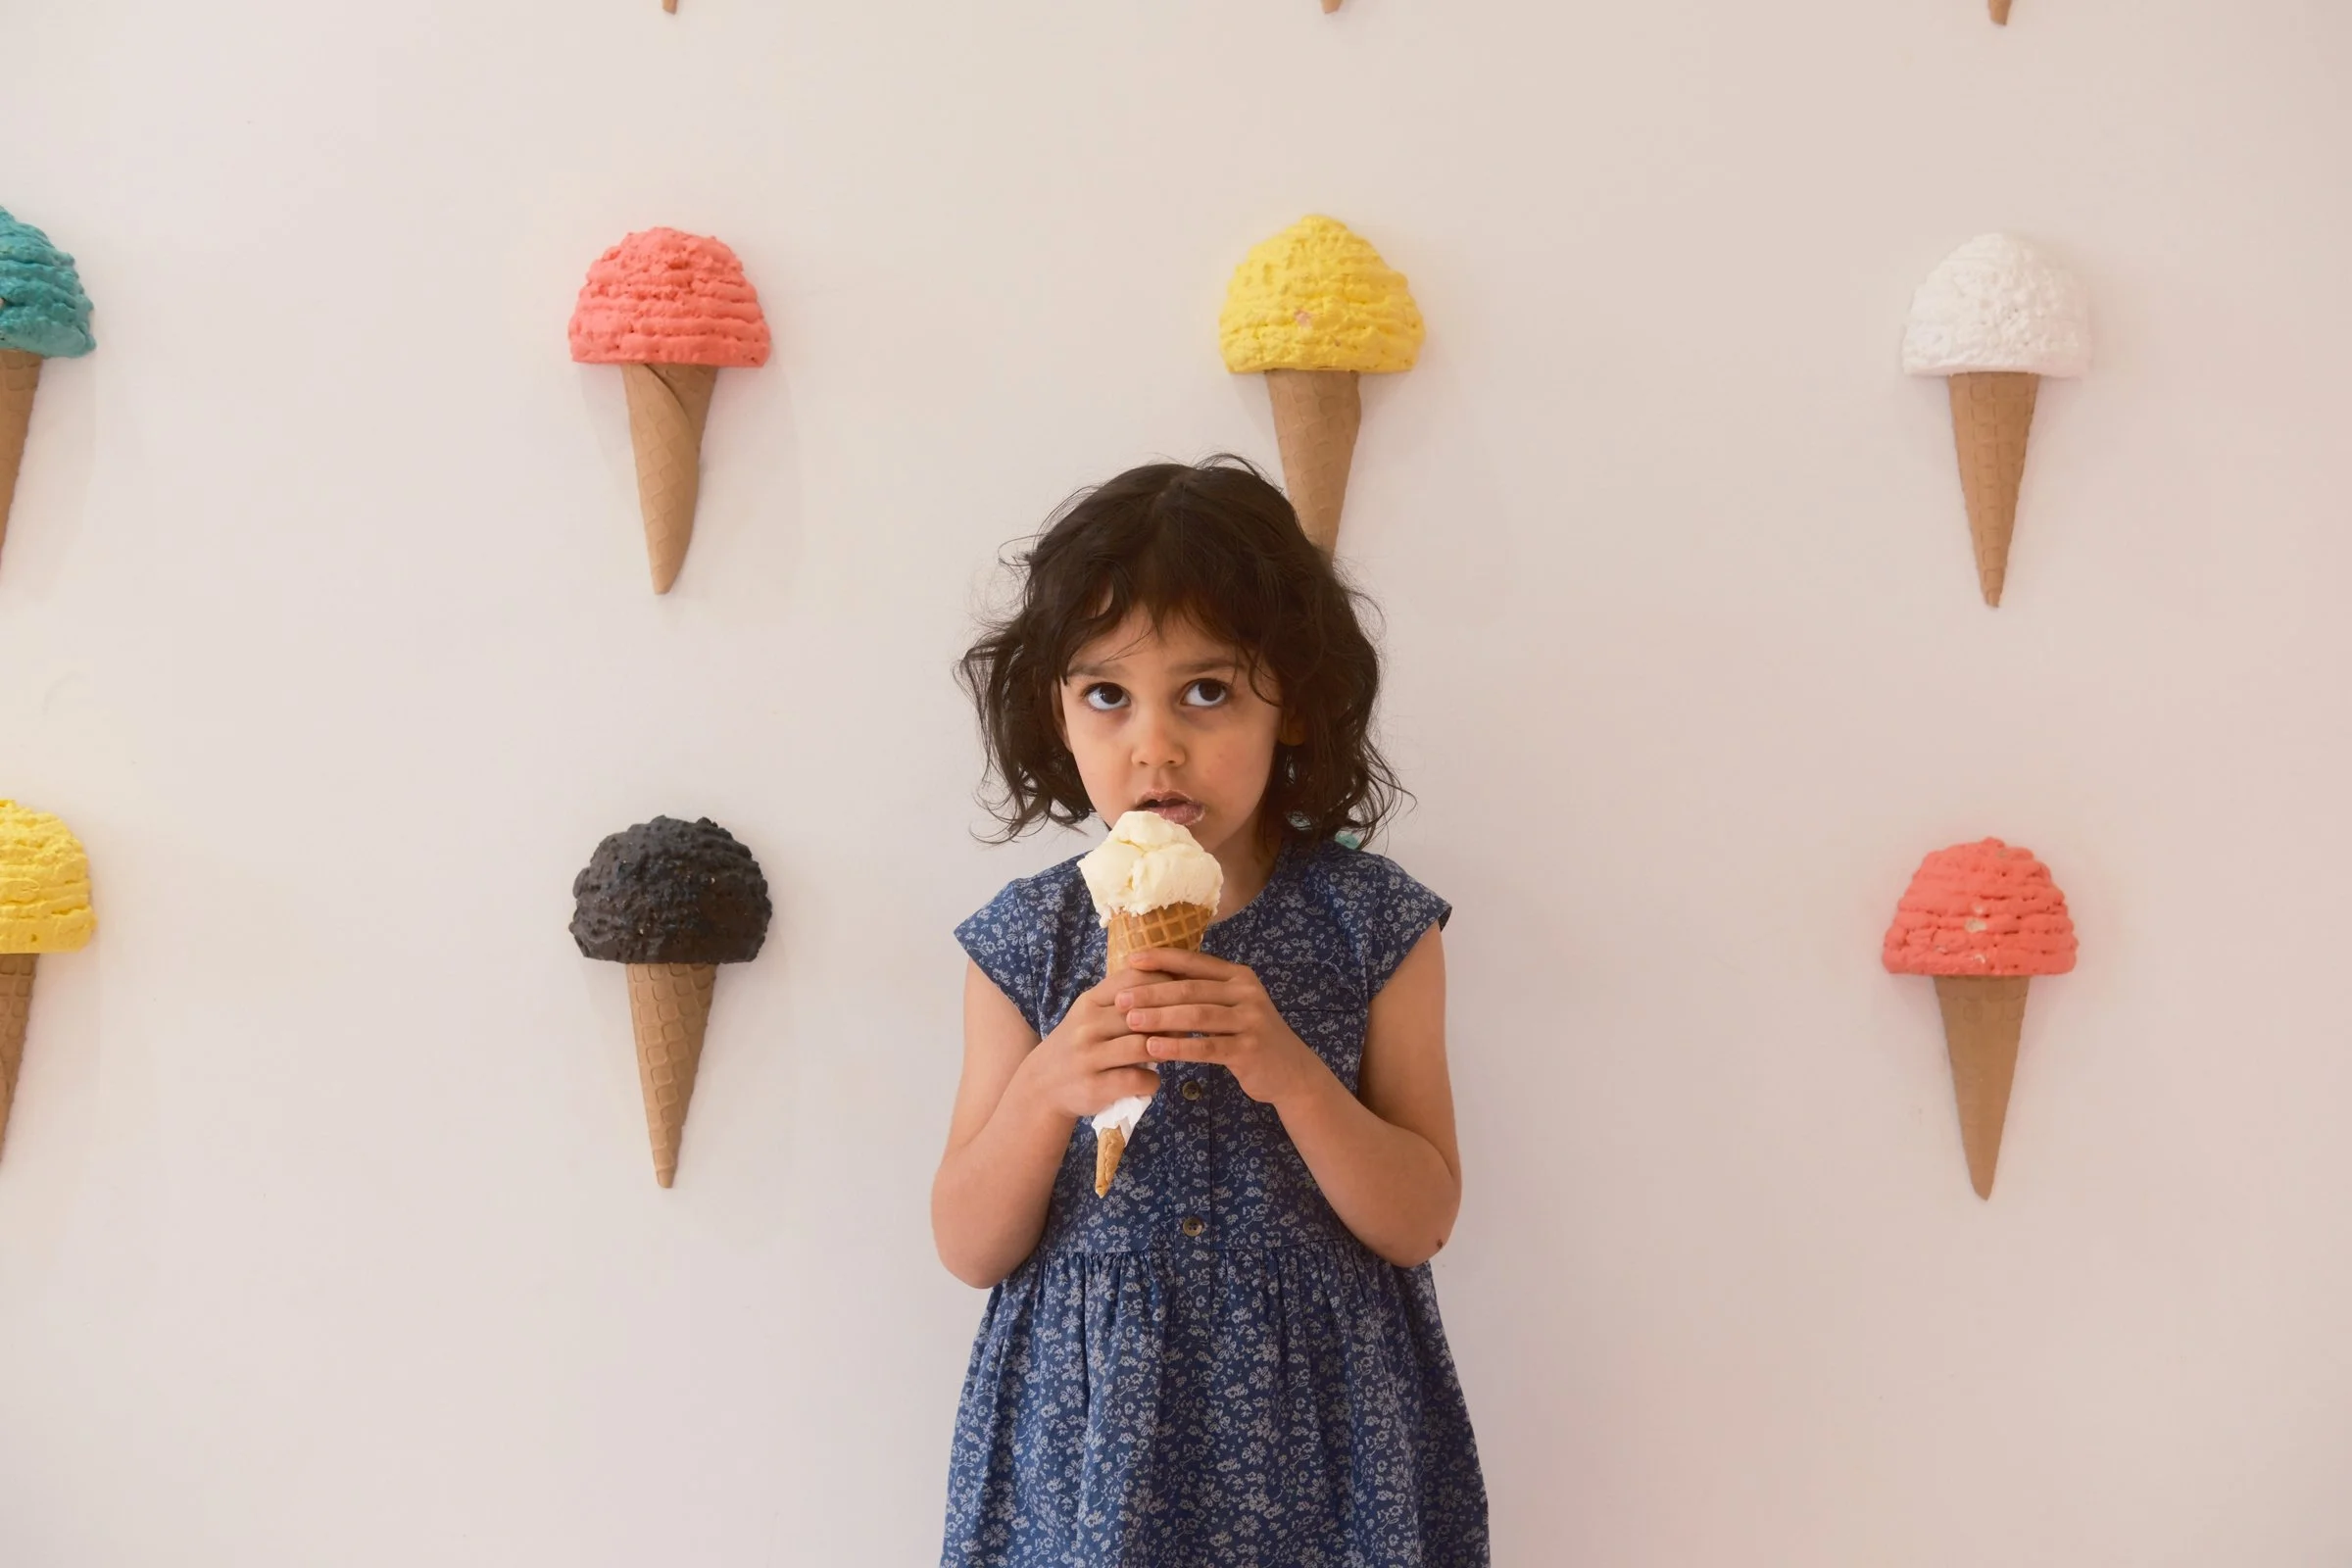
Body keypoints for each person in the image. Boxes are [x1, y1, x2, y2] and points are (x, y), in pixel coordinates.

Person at [931, 457, 1488, 1567]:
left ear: (1297, 702)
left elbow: (1420, 1219)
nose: (1155, 746)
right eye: (1107, 695)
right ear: (1056, 712)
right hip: (1091, 1435)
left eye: (1207, 691)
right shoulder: (1028, 942)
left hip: (1323, 1433)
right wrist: (1044, 1090)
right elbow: (967, 1244)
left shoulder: (1373, 927)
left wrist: (1294, 1074)